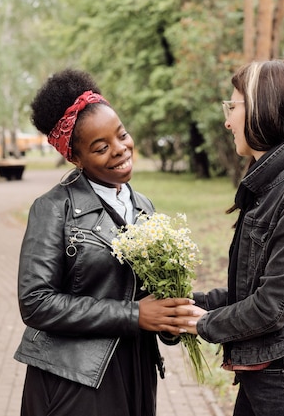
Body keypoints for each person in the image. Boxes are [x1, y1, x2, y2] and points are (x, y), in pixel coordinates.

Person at [13, 68, 192, 416]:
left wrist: (170, 321)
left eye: (122, 135)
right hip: (76, 378)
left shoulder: (143, 205)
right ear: (76, 158)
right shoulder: (52, 209)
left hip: (136, 369)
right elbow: (35, 303)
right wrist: (135, 314)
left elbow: (146, 293)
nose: (120, 149)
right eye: (100, 147)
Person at [182, 59, 284, 416]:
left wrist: (200, 322)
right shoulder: (272, 188)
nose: (227, 120)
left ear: (263, 109)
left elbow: (271, 308)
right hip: (267, 380)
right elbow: (253, 290)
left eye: (233, 106)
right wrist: (190, 302)